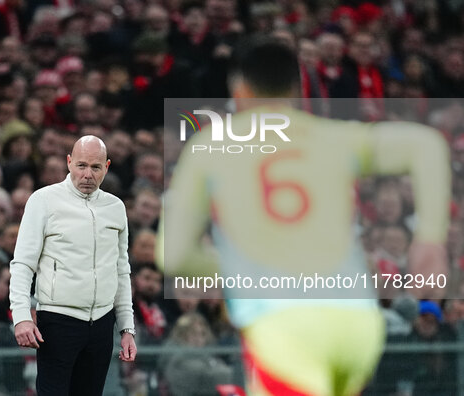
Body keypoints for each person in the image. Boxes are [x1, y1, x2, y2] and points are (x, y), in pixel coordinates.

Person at [158, 38, 450, 396]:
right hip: (356, 323)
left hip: (285, 328)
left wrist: (245, 268)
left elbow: (173, 256)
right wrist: (430, 239)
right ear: (296, 90)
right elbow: (427, 145)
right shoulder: (331, 137)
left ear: (239, 90)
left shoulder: (210, 147)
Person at [10, 135, 137, 395]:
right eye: (81, 165)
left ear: (107, 167)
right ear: (68, 162)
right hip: (57, 321)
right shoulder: (43, 200)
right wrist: (21, 317)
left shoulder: (116, 208)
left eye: (95, 167)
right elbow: (23, 264)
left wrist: (126, 328)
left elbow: (121, 271)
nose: (87, 174)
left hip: (102, 325)